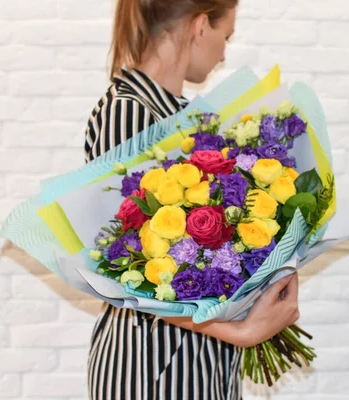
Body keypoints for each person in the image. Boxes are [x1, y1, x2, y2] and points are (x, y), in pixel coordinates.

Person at [83, 1, 301, 399]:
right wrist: (241, 329)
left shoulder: (188, 119)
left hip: (200, 364)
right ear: (200, 27)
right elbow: (121, 270)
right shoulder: (129, 111)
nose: (223, 53)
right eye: (225, 36)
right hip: (150, 367)